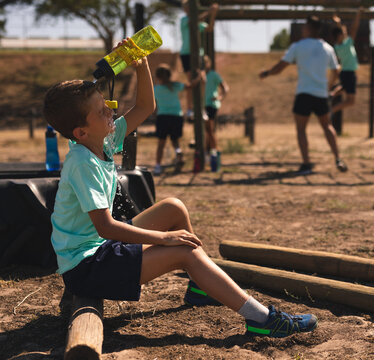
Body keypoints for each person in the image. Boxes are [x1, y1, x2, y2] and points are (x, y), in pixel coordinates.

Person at [43, 39, 318, 339]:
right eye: (102, 111)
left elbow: (146, 106)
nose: (112, 112)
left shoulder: (103, 139)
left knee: (173, 207)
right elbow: (107, 227)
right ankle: (262, 319)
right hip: (87, 267)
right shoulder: (83, 162)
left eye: (107, 105)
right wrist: (165, 237)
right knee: (184, 251)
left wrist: (141, 64)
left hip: (99, 248)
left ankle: (200, 286)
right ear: (80, 132)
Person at [259, 16, 348, 175]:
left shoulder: (298, 46)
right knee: (327, 126)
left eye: (304, 27)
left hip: (304, 93)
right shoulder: (327, 48)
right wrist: (328, 86)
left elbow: (281, 66)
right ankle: (338, 158)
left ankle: (306, 163)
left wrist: (267, 73)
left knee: (301, 129)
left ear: (309, 28)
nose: (302, 30)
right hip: (321, 93)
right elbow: (336, 71)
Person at [153, 63, 201, 175]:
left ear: (158, 77)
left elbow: (153, 106)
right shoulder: (175, 86)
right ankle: (179, 156)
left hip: (163, 117)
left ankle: (158, 166)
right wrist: (199, 76)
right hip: (176, 116)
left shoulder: (155, 89)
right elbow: (190, 86)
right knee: (175, 141)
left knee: (161, 143)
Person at [180, 0, 218, 119]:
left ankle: (201, 109)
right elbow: (193, 22)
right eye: (186, 7)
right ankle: (190, 109)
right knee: (192, 81)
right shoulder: (184, 20)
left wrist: (213, 14)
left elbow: (210, 28)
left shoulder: (199, 22)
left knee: (203, 80)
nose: (188, 9)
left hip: (199, 54)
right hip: (186, 53)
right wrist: (209, 11)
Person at [330, 9, 363, 114]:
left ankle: (331, 94)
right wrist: (358, 15)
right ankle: (331, 111)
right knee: (350, 101)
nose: (344, 34)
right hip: (348, 73)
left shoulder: (337, 46)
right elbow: (354, 28)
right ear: (339, 36)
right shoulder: (347, 44)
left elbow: (343, 33)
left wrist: (338, 22)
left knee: (343, 88)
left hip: (344, 73)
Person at [203, 55, 229, 170]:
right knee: (207, 130)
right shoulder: (200, 75)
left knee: (209, 129)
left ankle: (214, 151)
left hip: (211, 105)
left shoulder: (213, 75)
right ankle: (209, 152)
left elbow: (225, 87)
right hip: (203, 105)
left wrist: (220, 97)